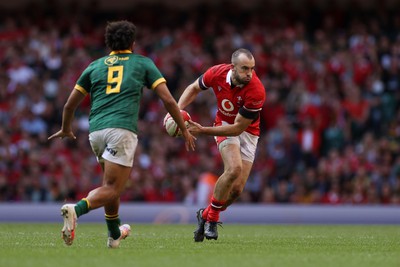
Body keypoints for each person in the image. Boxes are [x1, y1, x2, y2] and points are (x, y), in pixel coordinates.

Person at [48, 20, 196, 248]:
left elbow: (69, 105)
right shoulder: (143, 63)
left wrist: (66, 128)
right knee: (113, 188)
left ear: (108, 42)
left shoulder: (94, 66)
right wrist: (184, 129)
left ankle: (114, 235)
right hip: (122, 129)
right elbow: (167, 99)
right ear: (133, 42)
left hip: (95, 131)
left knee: (109, 185)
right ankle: (75, 209)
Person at [178, 48, 266, 241]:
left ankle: (204, 215)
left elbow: (238, 129)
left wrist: (202, 130)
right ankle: (212, 220)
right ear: (232, 67)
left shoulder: (256, 90)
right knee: (234, 169)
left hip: (247, 132)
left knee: (236, 190)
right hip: (224, 123)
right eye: (244, 68)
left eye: (252, 69)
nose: (249, 73)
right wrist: (177, 111)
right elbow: (193, 88)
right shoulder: (216, 73)